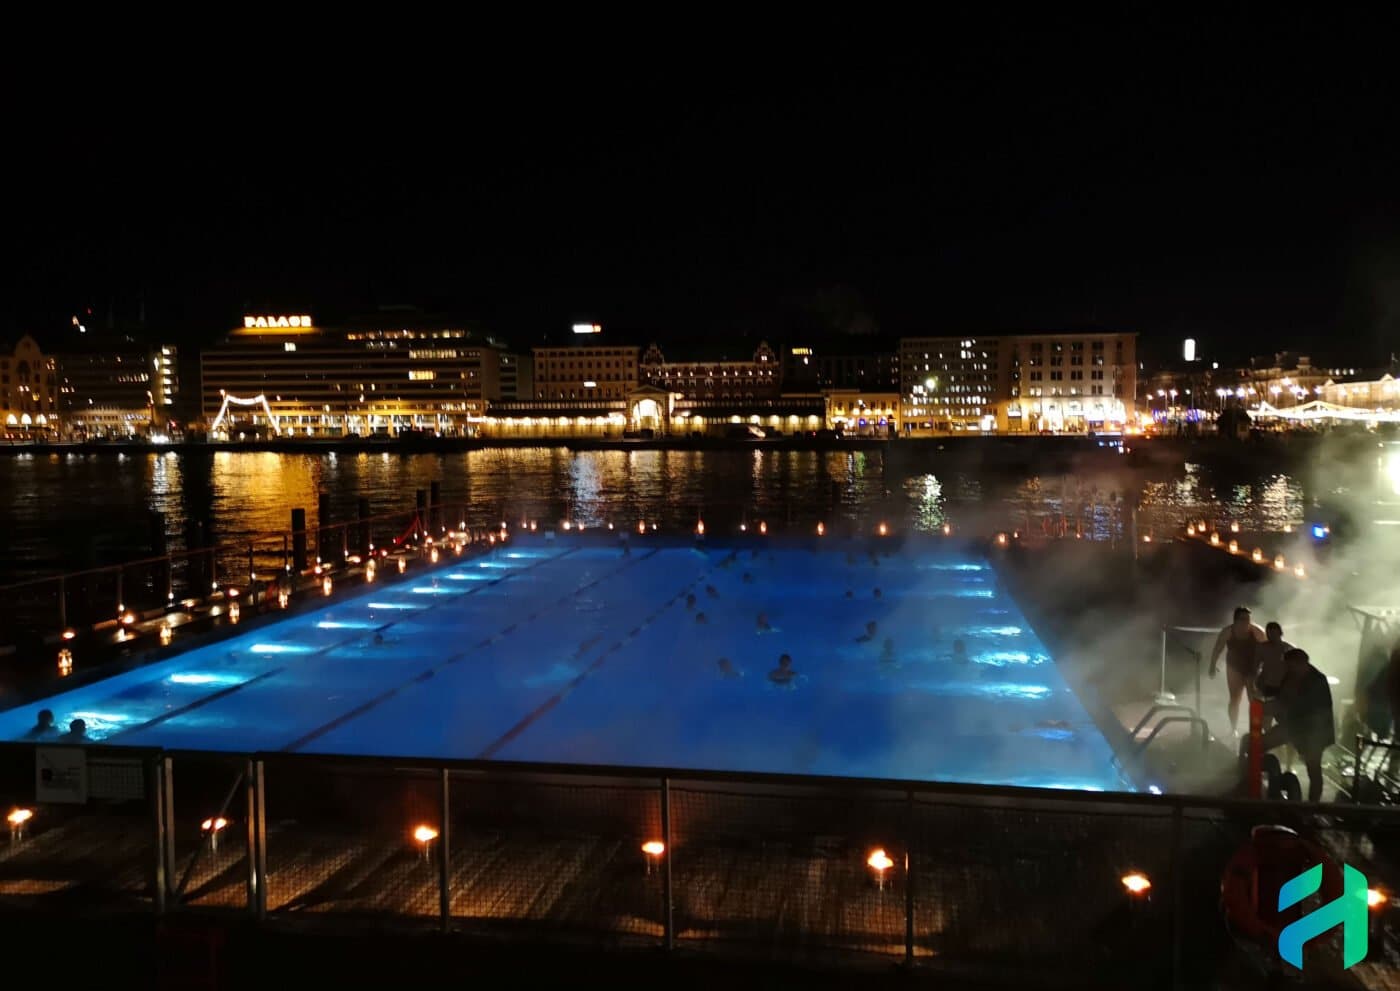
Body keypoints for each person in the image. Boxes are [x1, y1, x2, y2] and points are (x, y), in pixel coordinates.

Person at [1261, 648, 1335, 802]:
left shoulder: (1318, 681)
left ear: (1301, 664)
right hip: (1292, 726)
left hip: (1314, 732)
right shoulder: (1292, 675)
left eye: (1290, 665)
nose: (1287, 669)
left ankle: (1312, 806)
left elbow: (1307, 706)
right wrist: (1268, 691)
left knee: (1313, 769)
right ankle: (1258, 782)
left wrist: (1278, 706)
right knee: (1260, 744)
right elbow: (1283, 694)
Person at [1209, 606, 1267, 734]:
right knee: (1235, 699)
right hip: (1234, 667)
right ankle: (1233, 728)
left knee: (1254, 699)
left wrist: (1265, 669)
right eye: (1243, 620)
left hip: (1252, 668)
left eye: (1248, 619)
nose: (1246, 623)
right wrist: (1212, 665)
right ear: (1236, 621)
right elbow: (1218, 649)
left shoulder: (1257, 631)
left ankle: (1255, 729)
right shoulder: (1228, 632)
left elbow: (1268, 649)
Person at [1254, 622, 1293, 700]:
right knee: (1263, 707)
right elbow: (1255, 666)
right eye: (1269, 634)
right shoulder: (1262, 648)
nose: (1271, 637)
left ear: (1280, 633)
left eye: (1273, 634)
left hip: (1283, 685)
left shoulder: (1288, 649)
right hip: (1266, 684)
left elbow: (1295, 668)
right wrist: (1256, 681)